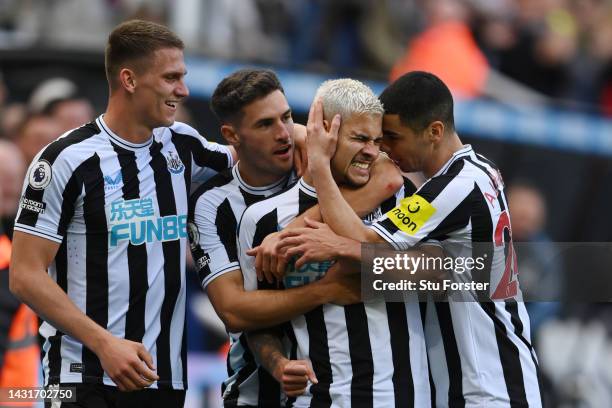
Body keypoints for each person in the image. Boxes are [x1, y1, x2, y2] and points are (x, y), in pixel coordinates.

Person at [9, 19, 237, 407]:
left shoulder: (182, 144)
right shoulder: (66, 161)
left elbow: (257, 155)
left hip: (165, 379)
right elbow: (25, 275)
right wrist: (104, 344)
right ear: (129, 80)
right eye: (170, 78)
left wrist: (302, 135)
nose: (182, 90)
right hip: (84, 377)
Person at [284, 71, 543, 407]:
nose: (385, 150)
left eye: (392, 137)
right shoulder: (479, 171)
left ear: (434, 132)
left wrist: (319, 167)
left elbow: (366, 240)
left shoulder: (454, 188)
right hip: (492, 383)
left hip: (487, 389)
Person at [189, 69, 404, 407]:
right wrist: (327, 289)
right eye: (265, 125)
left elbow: (389, 175)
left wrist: (294, 231)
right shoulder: (214, 205)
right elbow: (235, 310)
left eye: (287, 117)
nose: (284, 134)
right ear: (233, 135)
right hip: (257, 386)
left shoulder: (320, 161)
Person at [237, 79, 433, 407]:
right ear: (324, 132)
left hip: (400, 399)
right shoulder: (262, 220)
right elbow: (256, 319)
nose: (372, 151)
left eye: (377, 141)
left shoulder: (411, 199)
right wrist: (278, 364)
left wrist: (346, 250)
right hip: (313, 400)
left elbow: (435, 275)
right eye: (359, 138)